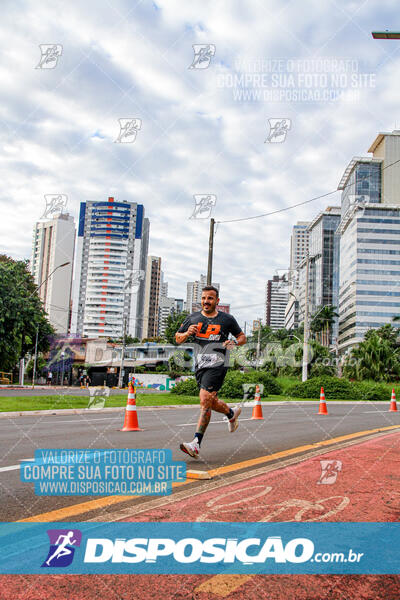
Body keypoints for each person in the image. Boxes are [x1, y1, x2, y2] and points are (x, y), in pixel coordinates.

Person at [175, 286, 247, 459]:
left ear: (217, 301)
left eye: (210, 298)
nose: (206, 301)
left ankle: (196, 444)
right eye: (204, 298)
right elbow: (177, 338)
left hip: (219, 362)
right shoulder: (193, 318)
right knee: (210, 400)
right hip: (200, 365)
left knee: (205, 399)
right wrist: (186, 333)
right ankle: (230, 413)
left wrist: (234, 344)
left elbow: (242, 337)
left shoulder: (227, 319)